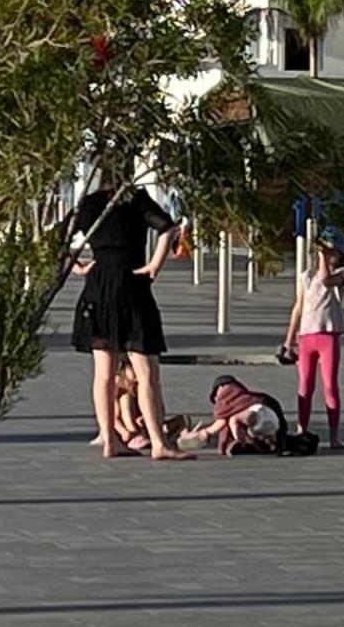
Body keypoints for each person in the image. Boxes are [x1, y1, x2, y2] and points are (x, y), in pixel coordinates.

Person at [69, 179, 191, 461]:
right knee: (146, 372)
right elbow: (167, 227)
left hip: (98, 287)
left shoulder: (89, 203)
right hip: (132, 282)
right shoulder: (134, 199)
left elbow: (58, 238)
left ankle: (110, 439)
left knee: (104, 374)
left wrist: (78, 267)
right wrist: (154, 266)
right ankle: (159, 443)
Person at [282, 231, 344, 450]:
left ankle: (335, 434)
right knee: (305, 386)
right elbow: (298, 308)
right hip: (307, 335)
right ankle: (302, 429)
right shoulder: (306, 276)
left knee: (330, 385)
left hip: (328, 334)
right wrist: (288, 340)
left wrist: (323, 256)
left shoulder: (341, 274)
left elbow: (325, 280)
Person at [185, 375, 291, 455]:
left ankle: (241, 442)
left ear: (221, 388)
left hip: (257, 414)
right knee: (246, 427)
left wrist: (207, 432)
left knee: (233, 420)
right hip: (270, 419)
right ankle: (271, 443)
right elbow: (271, 403)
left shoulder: (226, 400)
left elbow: (220, 423)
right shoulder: (250, 397)